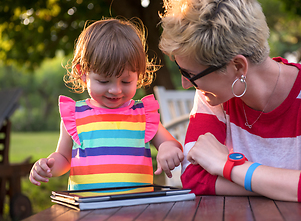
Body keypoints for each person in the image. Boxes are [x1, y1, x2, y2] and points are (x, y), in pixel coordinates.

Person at [158, 0, 301, 219]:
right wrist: (290, 186)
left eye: (190, 74)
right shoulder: (213, 97)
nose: (185, 84)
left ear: (237, 66)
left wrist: (228, 166)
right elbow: (194, 178)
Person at [29, 18, 184, 191]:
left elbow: (170, 143)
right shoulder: (75, 116)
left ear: (138, 75)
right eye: (103, 81)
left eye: (126, 81)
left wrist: (167, 149)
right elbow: (64, 159)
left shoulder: (143, 114)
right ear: (83, 73)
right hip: (89, 210)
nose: (115, 90)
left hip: (137, 209)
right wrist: (49, 166)